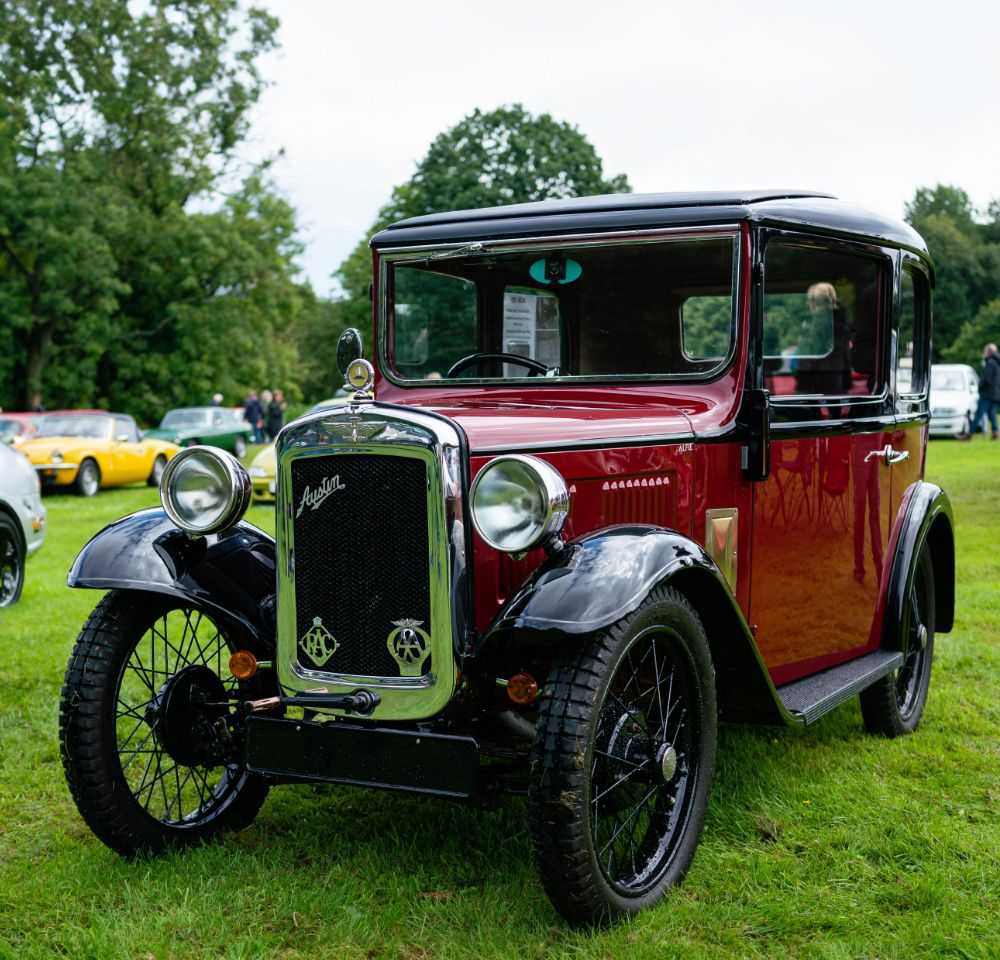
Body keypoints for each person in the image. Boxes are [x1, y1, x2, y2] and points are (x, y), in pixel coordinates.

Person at [969, 343, 1000, 439]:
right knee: (992, 414)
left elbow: (987, 379)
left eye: (985, 351)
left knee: (978, 413)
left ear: (989, 352)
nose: (984, 353)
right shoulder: (996, 363)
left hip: (987, 393)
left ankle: (969, 434)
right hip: (994, 393)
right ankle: (995, 433)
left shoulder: (990, 363)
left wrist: (980, 387)